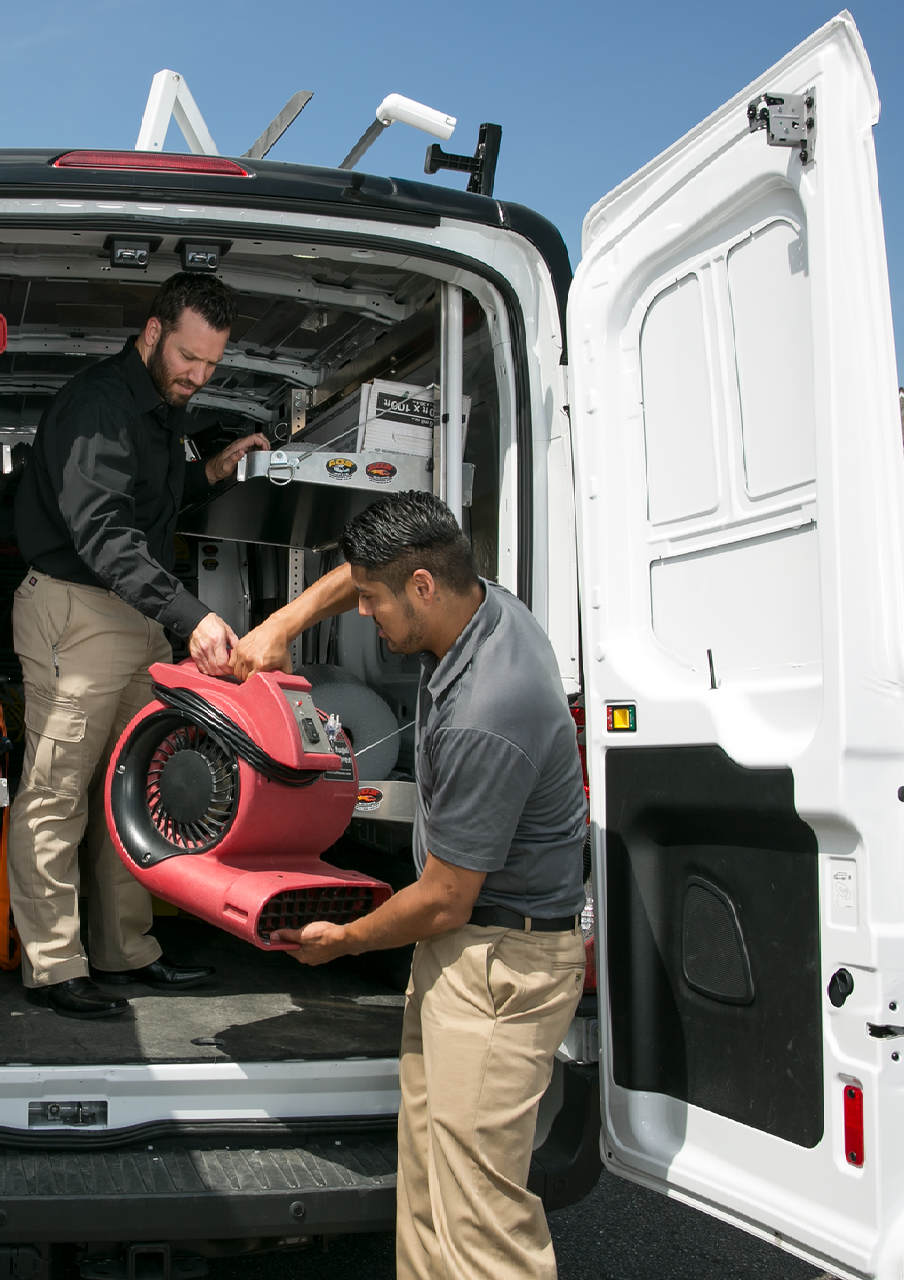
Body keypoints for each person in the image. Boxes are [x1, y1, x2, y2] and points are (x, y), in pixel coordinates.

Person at [235, 490, 586, 1280]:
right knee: (429, 1188)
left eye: (371, 602)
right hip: (466, 954)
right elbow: (364, 573)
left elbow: (442, 898)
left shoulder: (486, 711)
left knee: (478, 1222)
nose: (362, 615)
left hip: (499, 964)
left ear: (422, 587)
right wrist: (282, 626)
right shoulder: (488, 605)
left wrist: (343, 941)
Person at [7, 272, 270, 1020]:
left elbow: (146, 508)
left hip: (131, 616)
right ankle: (54, 966)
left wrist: (209, 474)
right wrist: (191, 616)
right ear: (152, 332)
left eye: (211, 365)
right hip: (76, 612)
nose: (197, 375)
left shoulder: (158, 413)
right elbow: (102, 532)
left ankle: (125, 951)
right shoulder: (99, 405)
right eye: (188, 356)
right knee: (55, 794)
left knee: (128, 792)